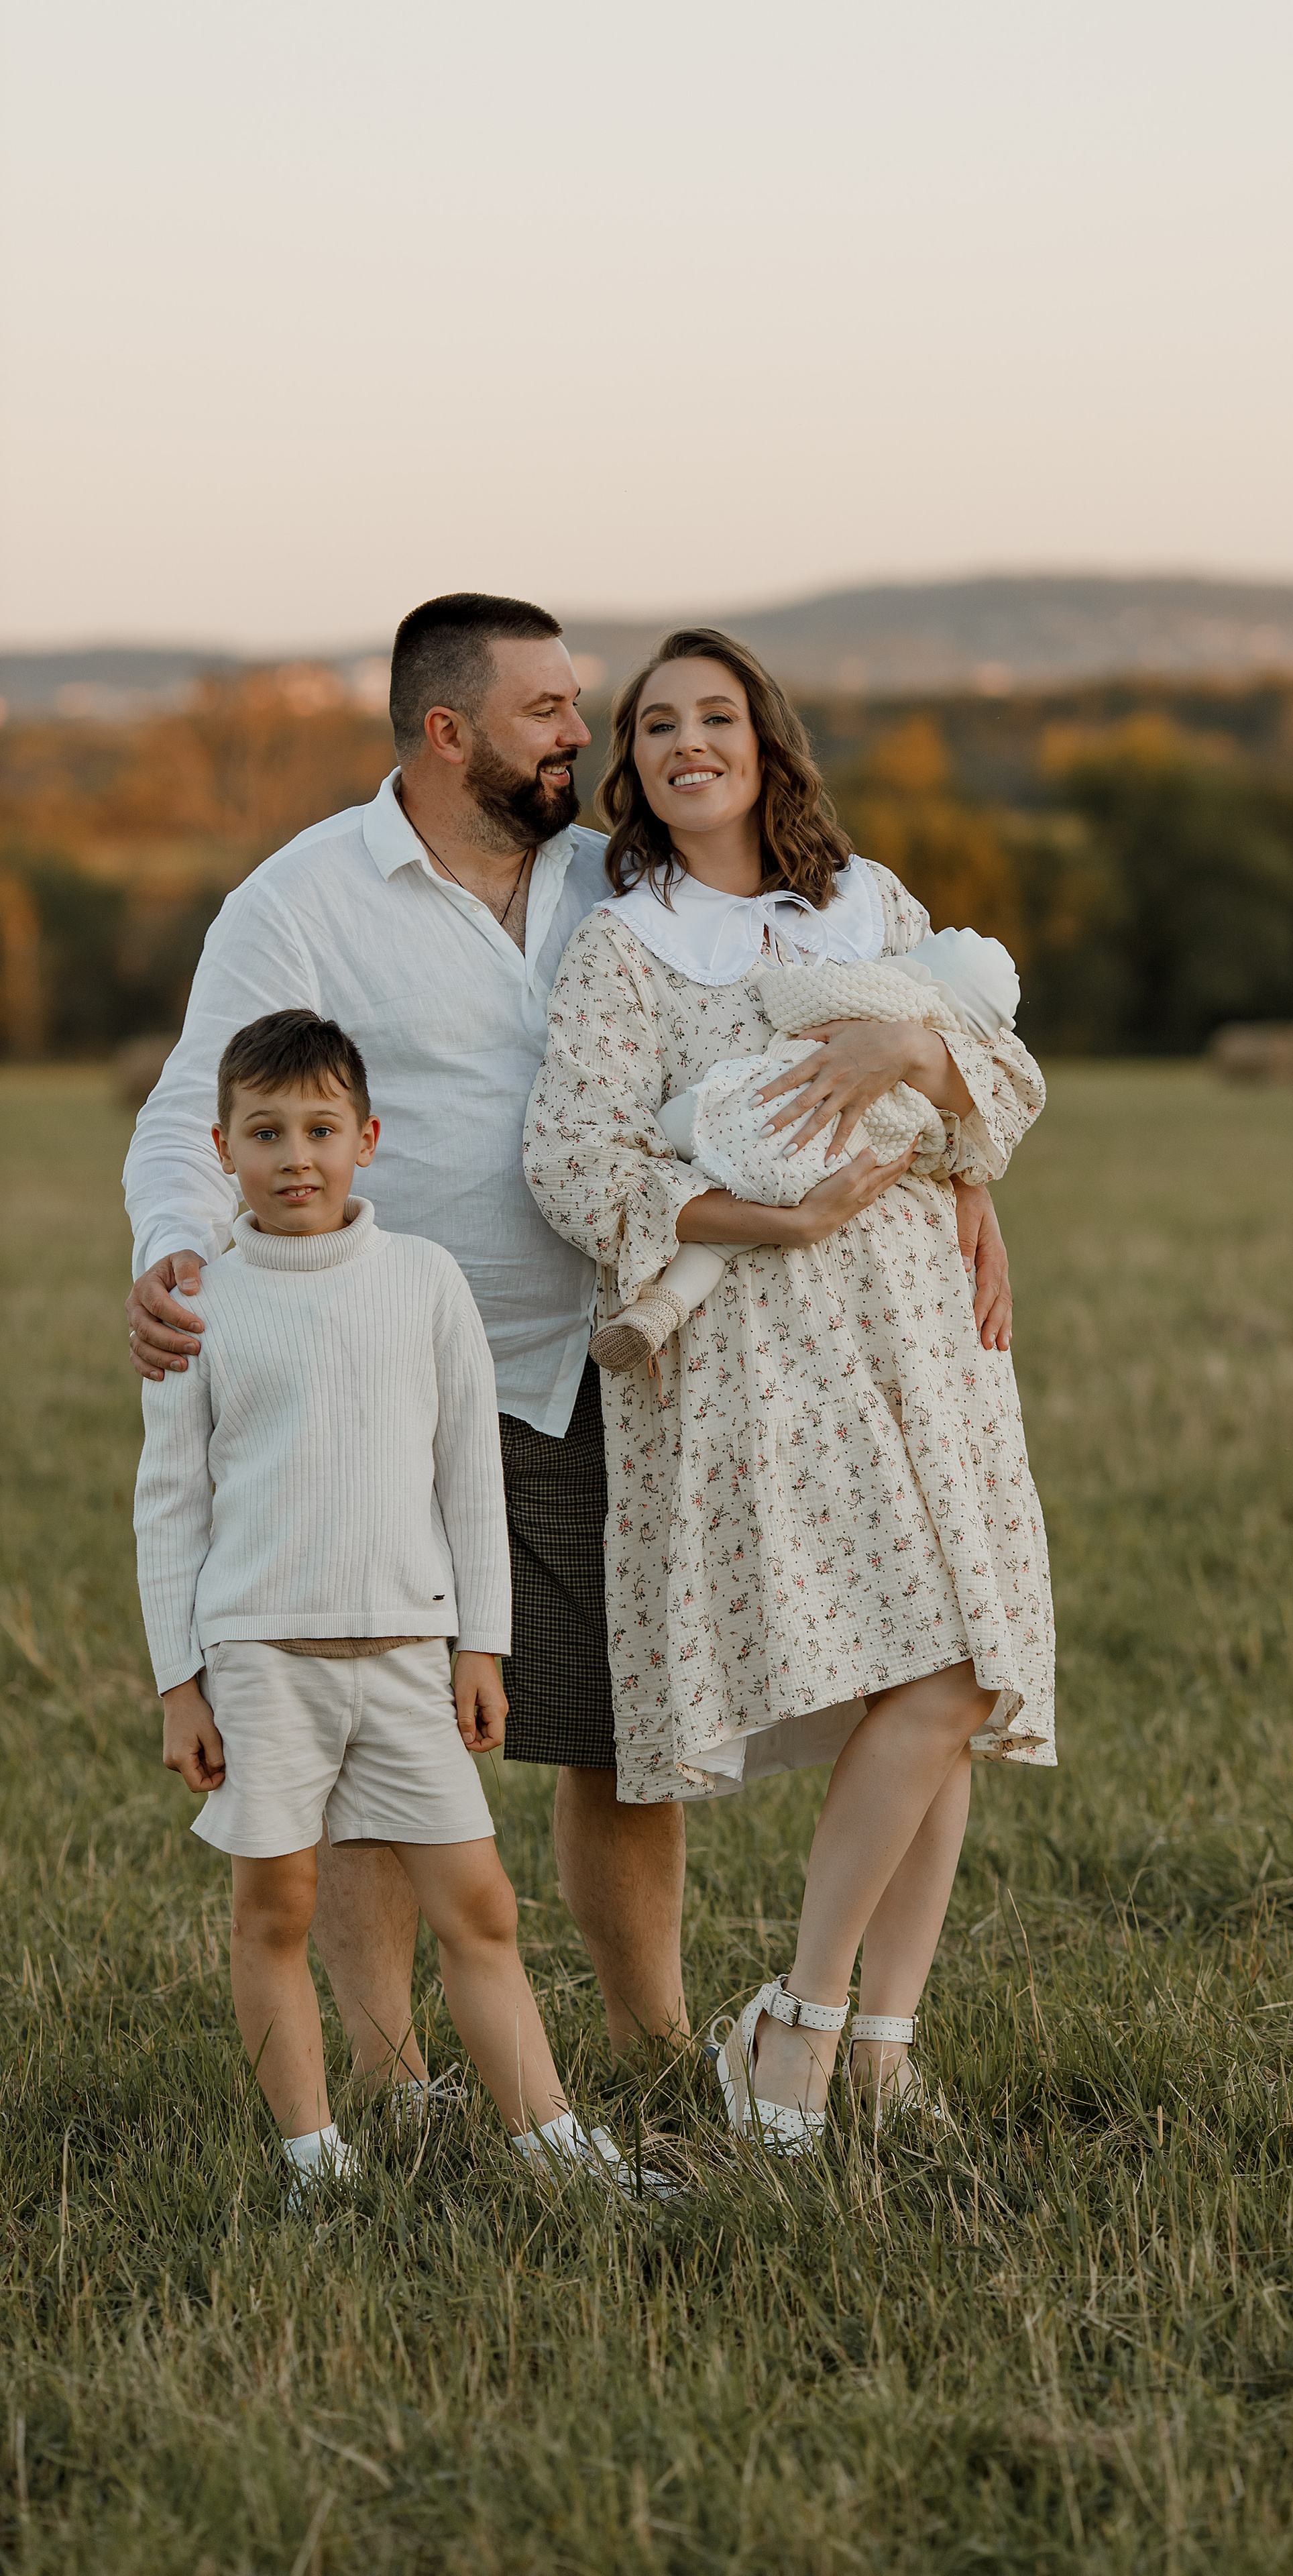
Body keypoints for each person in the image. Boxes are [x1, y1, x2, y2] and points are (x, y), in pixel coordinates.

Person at [121, 592, 1017, 2092]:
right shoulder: (303, 900)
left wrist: (960, 1169)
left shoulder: (624, 877)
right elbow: (185, 1109)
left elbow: (807, 1029)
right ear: (445, 731)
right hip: (400, 1366)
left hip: (622, 1360)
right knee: (389, 1724)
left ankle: (653, 2048)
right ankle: (398, 2082)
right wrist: (171, 1248)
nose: (579, 734)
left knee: (616, 1730)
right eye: (548, 711)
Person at [523, 629, 1056, 2152]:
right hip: (755, 1351)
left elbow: (990, 1088)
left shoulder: (865, 901)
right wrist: (779, 1218)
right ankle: (800, 2024)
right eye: (656, 724)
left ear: (765, 742)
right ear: (630, 767)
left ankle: (876, 2046)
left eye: (717, 715)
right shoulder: (623, 944)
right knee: (933, 1668)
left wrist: (915, 1051)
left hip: (916, 1325)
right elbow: (572, 1162)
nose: (689, 740)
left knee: (944, 1676)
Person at [137, 1010, 663, 2200]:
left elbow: (469, 1480)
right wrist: (182, 1686)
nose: (295, 1156)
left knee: (481, 1906)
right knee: (275, 1907)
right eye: (264, 1132)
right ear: (223, 1148)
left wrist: (483, 1644)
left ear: (366, 1138)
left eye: (320, 1128)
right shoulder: (203, 1304)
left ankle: (559, 2151)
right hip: (266, 1664)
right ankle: (315, 2163)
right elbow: (167, 1504)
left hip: (412, 1661)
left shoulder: (423, 1282)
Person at [588, 926, 1020, 1373]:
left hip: (760, 1122)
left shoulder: (888, 993)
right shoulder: (937, 1082)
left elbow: (795, 1000)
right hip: (816, 1176)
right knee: (718, 1248)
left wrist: (776, 978)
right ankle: (656, 1314)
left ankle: (654, 1291)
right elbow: (939, 1145)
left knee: (675, 1125)